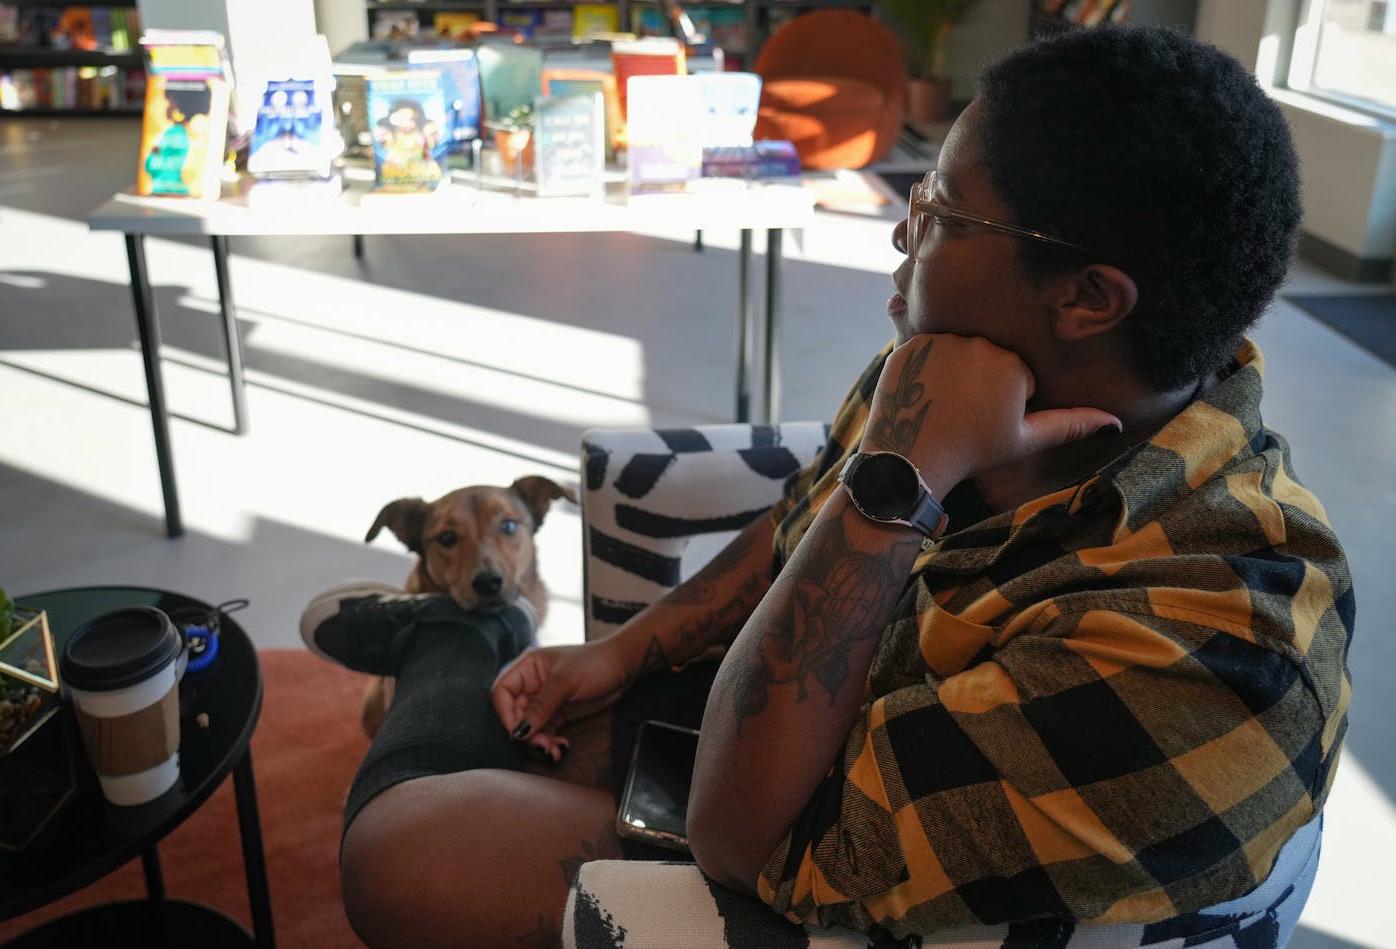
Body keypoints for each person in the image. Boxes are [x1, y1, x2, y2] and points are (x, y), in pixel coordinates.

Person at [300, 23, 1352, 949]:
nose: (901, 228)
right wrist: (626, 650)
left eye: (938, 209)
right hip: (801, 740)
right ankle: (466, 644)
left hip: (817, 860)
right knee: (526, 733)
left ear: (1084, 298)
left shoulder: (1216, 644)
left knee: (400, 850)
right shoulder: (952, 375)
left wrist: (898, 475)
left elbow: (741, 834)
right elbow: (799, 523)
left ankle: (441, 633)